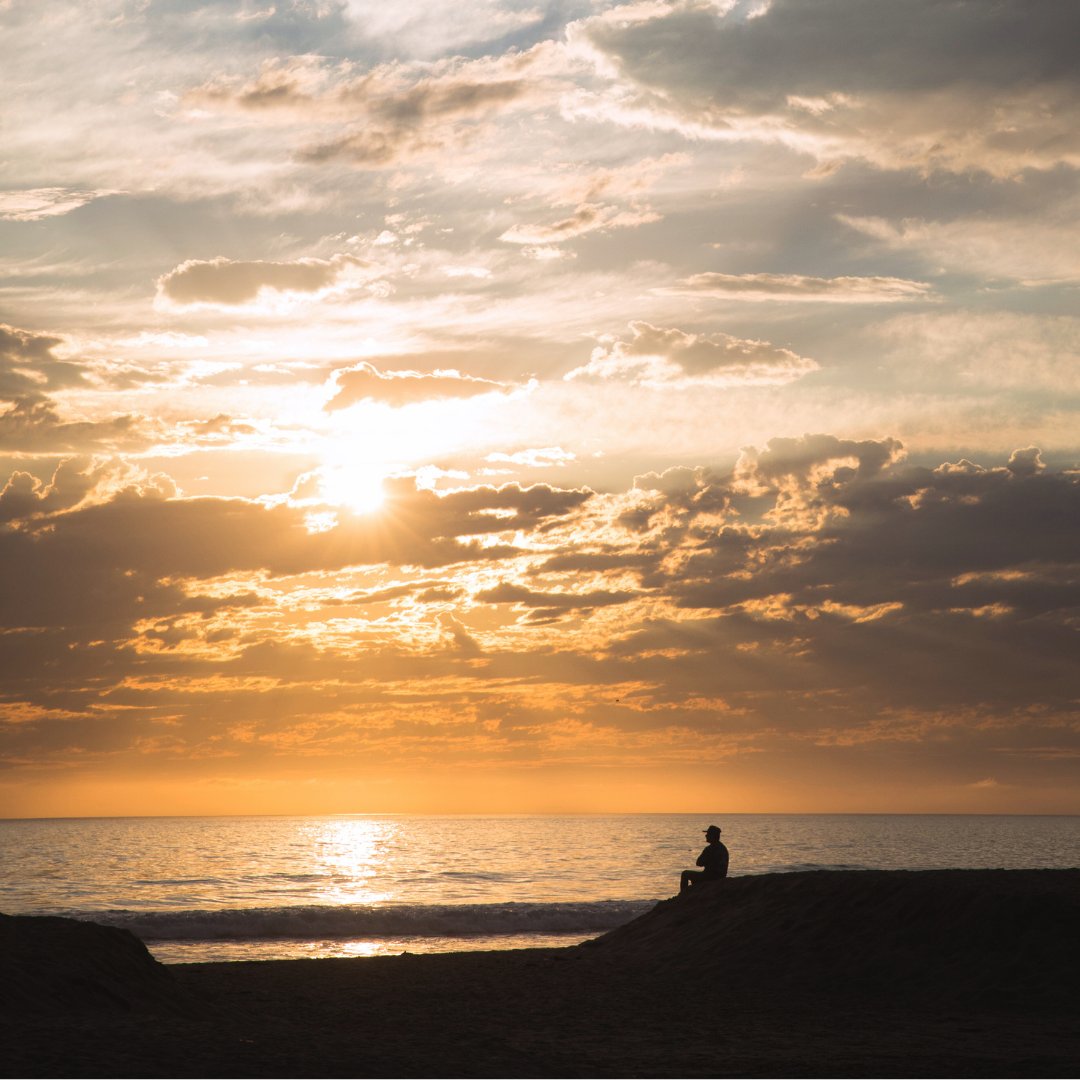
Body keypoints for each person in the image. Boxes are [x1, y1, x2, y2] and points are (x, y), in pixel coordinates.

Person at [680, 824, 729, 893]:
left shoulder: (710, 849)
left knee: (685, 874)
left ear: (712, 836)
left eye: (708, 834)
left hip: (710, 877)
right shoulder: (723, 848)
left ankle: (683, 895)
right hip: (720, 877)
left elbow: (698, 863)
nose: (706, 835)